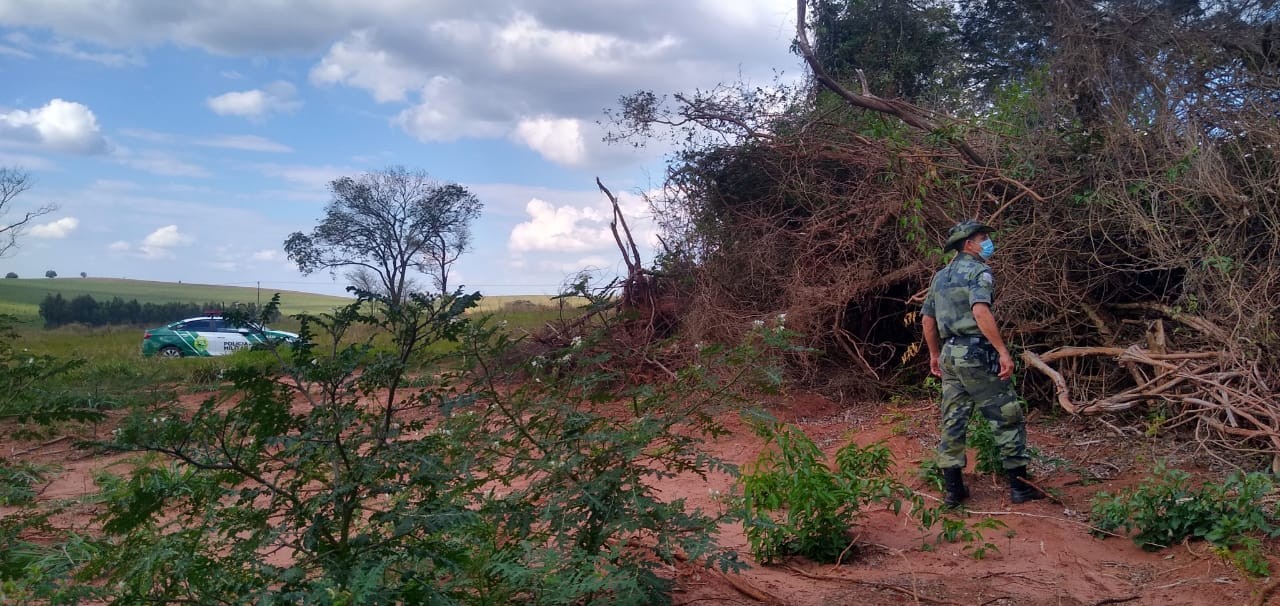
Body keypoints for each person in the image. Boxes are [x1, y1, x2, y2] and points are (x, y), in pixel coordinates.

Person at [920, 221, 1044, 507]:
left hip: (950, 355)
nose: (988, 243)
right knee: (1006, 415)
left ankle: (953, 491)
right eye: (983, 238)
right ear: (968, 244)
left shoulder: (940, 277)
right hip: (976, 354)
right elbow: (980, 311)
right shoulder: (979, 272)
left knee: (953, 419)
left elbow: (927, 319)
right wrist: (1002, 351)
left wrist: (934, 354)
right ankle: (1020, 487)